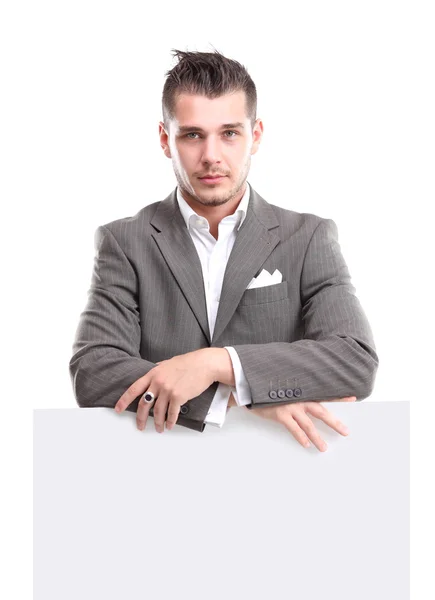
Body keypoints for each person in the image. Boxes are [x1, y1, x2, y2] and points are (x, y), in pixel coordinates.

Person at [69, 48, 379, 452]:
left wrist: (217, 363)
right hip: (157, 467)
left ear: (256, 136)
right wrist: (237, 396)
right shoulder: (125, 243)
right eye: (192, 134)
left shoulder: (308, 237)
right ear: (166, 139)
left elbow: (353, 361)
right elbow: (94, 372)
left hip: (286, 469)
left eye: (230, 133)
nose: (212, 156)